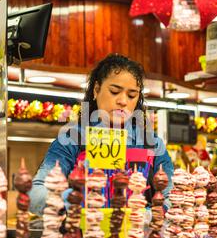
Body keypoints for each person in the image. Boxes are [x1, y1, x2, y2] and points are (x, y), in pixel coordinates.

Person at [28, 53, 174, 216]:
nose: (123, 101)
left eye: (132, 95)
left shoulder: (152, 143)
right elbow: (35, 194)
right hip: (83, 237)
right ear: (96, 90)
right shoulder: (72, 140)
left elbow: (172, 197)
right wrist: (73, 200)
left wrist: (146, 215)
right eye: (114, 91)